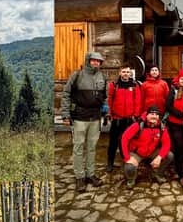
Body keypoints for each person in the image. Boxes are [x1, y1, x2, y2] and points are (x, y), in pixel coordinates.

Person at [61, 51, 108, 190]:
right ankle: (79, 177)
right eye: (94, 60)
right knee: (78, 148)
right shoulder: (77, 75)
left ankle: (90, 174)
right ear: (88, 60)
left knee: (92, 148)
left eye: (99, 61)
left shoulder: (102, 77)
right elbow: (66, 94)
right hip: (79, 118)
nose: (96, 63)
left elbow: (105, 97)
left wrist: (106, 111)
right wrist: (65, 115)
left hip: (95, 118)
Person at [121, 105, 173, 189]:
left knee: (169, 156)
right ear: (147, 115)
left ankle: (157, 173)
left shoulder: (161, 127)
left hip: (152, 151)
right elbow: (124, 138)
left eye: (156, 114)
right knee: (129, 166)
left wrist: (159, 157)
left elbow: (167, 143)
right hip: (137, 153)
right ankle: (131, 179)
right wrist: (127, 158)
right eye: (152, 114)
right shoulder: (138, 125)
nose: (154, 116)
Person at [106, 65, 142, 172]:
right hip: (117, 119)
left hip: (129, 120)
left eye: (127, 72)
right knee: (113, 142)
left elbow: (138, 101)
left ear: (130, 73)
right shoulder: (114, 85)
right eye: (124, 72)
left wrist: (135, 115)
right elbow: (110, 100)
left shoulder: (134, 85)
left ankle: (126, 161)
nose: (126, 74)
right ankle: (110, 163)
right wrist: (110, 113)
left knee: (127, 142)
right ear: (120, 73)